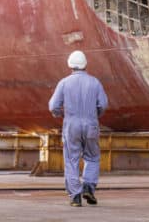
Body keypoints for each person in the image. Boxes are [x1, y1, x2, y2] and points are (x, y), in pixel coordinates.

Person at [48, 50, 108, 207]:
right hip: (91, 124)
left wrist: (59, 114)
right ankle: (88, 186)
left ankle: (75, 197)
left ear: (70, 65)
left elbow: (53, 105)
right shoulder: (95, 82)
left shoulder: (64, 83)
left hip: (71, 125)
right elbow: (103, 104)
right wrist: (95, 116)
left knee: (71, 159)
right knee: (93, 157)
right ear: (85, 64)